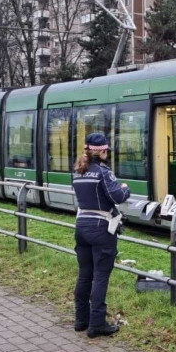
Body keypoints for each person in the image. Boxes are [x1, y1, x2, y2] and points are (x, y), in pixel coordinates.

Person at [72, 132, 130, 338]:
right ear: (103, 151)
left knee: (84, 274)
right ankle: (97, 324)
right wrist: (125, 188)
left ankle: (81, 320)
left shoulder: (78, 171)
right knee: (100, 275)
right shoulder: (103, 172)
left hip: (81, 226)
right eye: (107, 151)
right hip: (100, 228)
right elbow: (117, 196)